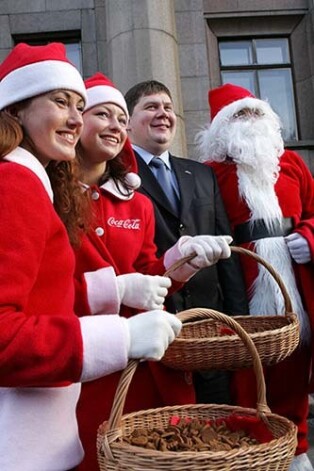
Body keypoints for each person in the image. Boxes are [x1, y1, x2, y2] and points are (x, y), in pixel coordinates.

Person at [0, 43, 191, 471]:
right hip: (19, 438)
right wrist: (120, 338)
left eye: (78, 105)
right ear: (14, 111)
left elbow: (42, 294)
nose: (74, 118)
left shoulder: (32, 182)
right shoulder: (17, 183)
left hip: (40, 429)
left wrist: (126, 284)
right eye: (60, 102)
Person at [73, 72, 233, 471]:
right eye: (102, 114)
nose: (115, 126)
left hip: (143, 365)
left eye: (119, 119)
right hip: (80, 366)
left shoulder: (136, 203)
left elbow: (149, 273)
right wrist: (115, 289)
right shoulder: (49, 194)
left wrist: (182, 261)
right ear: (76, 124)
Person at [196, 83, 314, 471]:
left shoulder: (293, 164)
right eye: (239, 115)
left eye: (256, 113)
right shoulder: (210, 174)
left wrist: (309, 238)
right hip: (240, 287)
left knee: (294, 370)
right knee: (246, 378)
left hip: (294, 282)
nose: (250, 121)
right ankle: (252, 454)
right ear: (220, 128)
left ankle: (296, 451)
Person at [125, 79, 249, 405]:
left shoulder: (202, 174)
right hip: (155, 330)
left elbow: (229, 253)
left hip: (210, 326)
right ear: (126, 122)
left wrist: (238, 319)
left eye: (168, 107)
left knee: (219, 424)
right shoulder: (115, 175)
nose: (162, 114)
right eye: (150, 107)